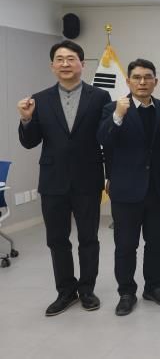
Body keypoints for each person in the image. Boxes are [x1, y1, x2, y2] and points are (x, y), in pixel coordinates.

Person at [18, 40, 111, 316]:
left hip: (88, 178)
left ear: (82, 64)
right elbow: (30, 142)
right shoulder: (39, 99)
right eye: (59, 59)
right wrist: (26, 119)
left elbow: (106, 137)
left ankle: (87, 290)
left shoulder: (100, 97)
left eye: (71, 59)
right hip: (53, 180)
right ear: (52, 66)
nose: (65, 64)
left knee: (88, 239)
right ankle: (65, 291)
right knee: (57, 239)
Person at [97, 58, 160, 316]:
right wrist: (118, 116)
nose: (142, 82)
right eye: (137, 77)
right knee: (126, 246)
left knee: (156, 243)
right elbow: (103, 139)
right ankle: (126, 292)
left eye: (148, 77)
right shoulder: (113, 108)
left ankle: (153, 286)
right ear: (128, 81)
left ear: (155, 81)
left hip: (158, 190)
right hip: (126, 189)